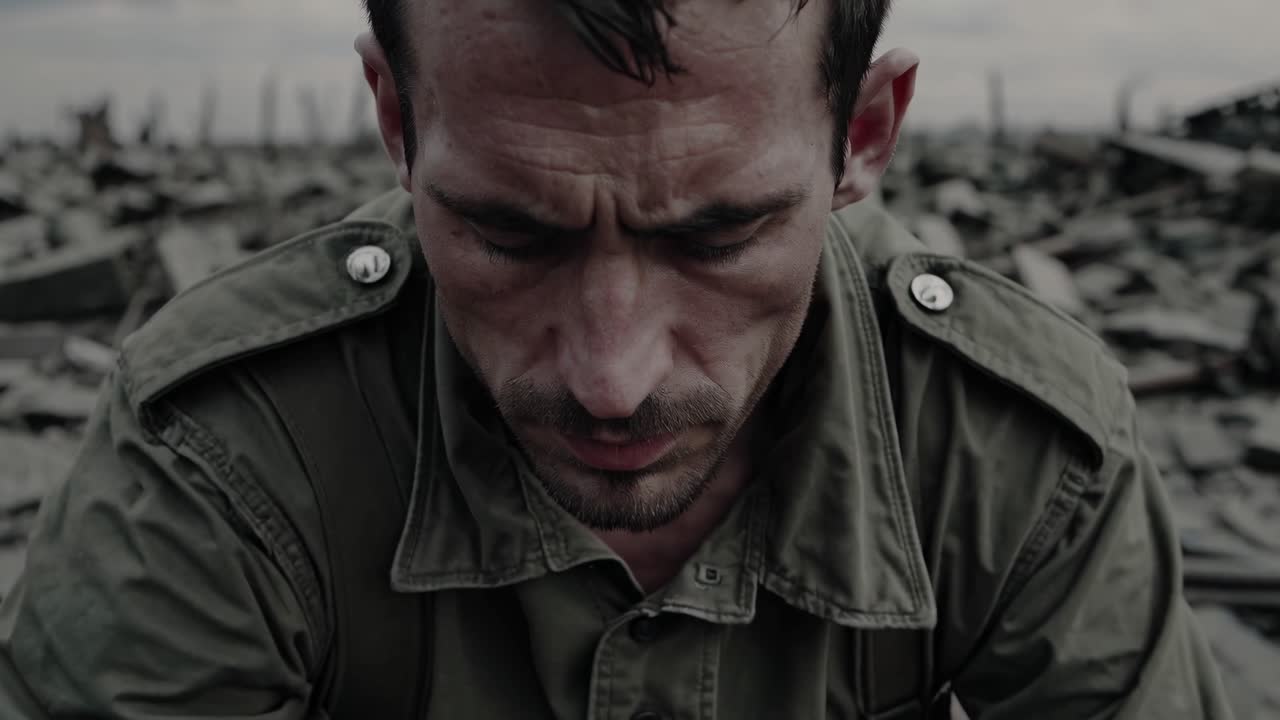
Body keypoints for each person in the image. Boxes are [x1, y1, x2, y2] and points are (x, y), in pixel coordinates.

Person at [0, 0, 1233, 718]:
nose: (612, 376)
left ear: (858, 136)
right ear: (394, 118)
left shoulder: (1017, 453)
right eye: (507, 232)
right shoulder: (224, 455)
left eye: (717, 232)